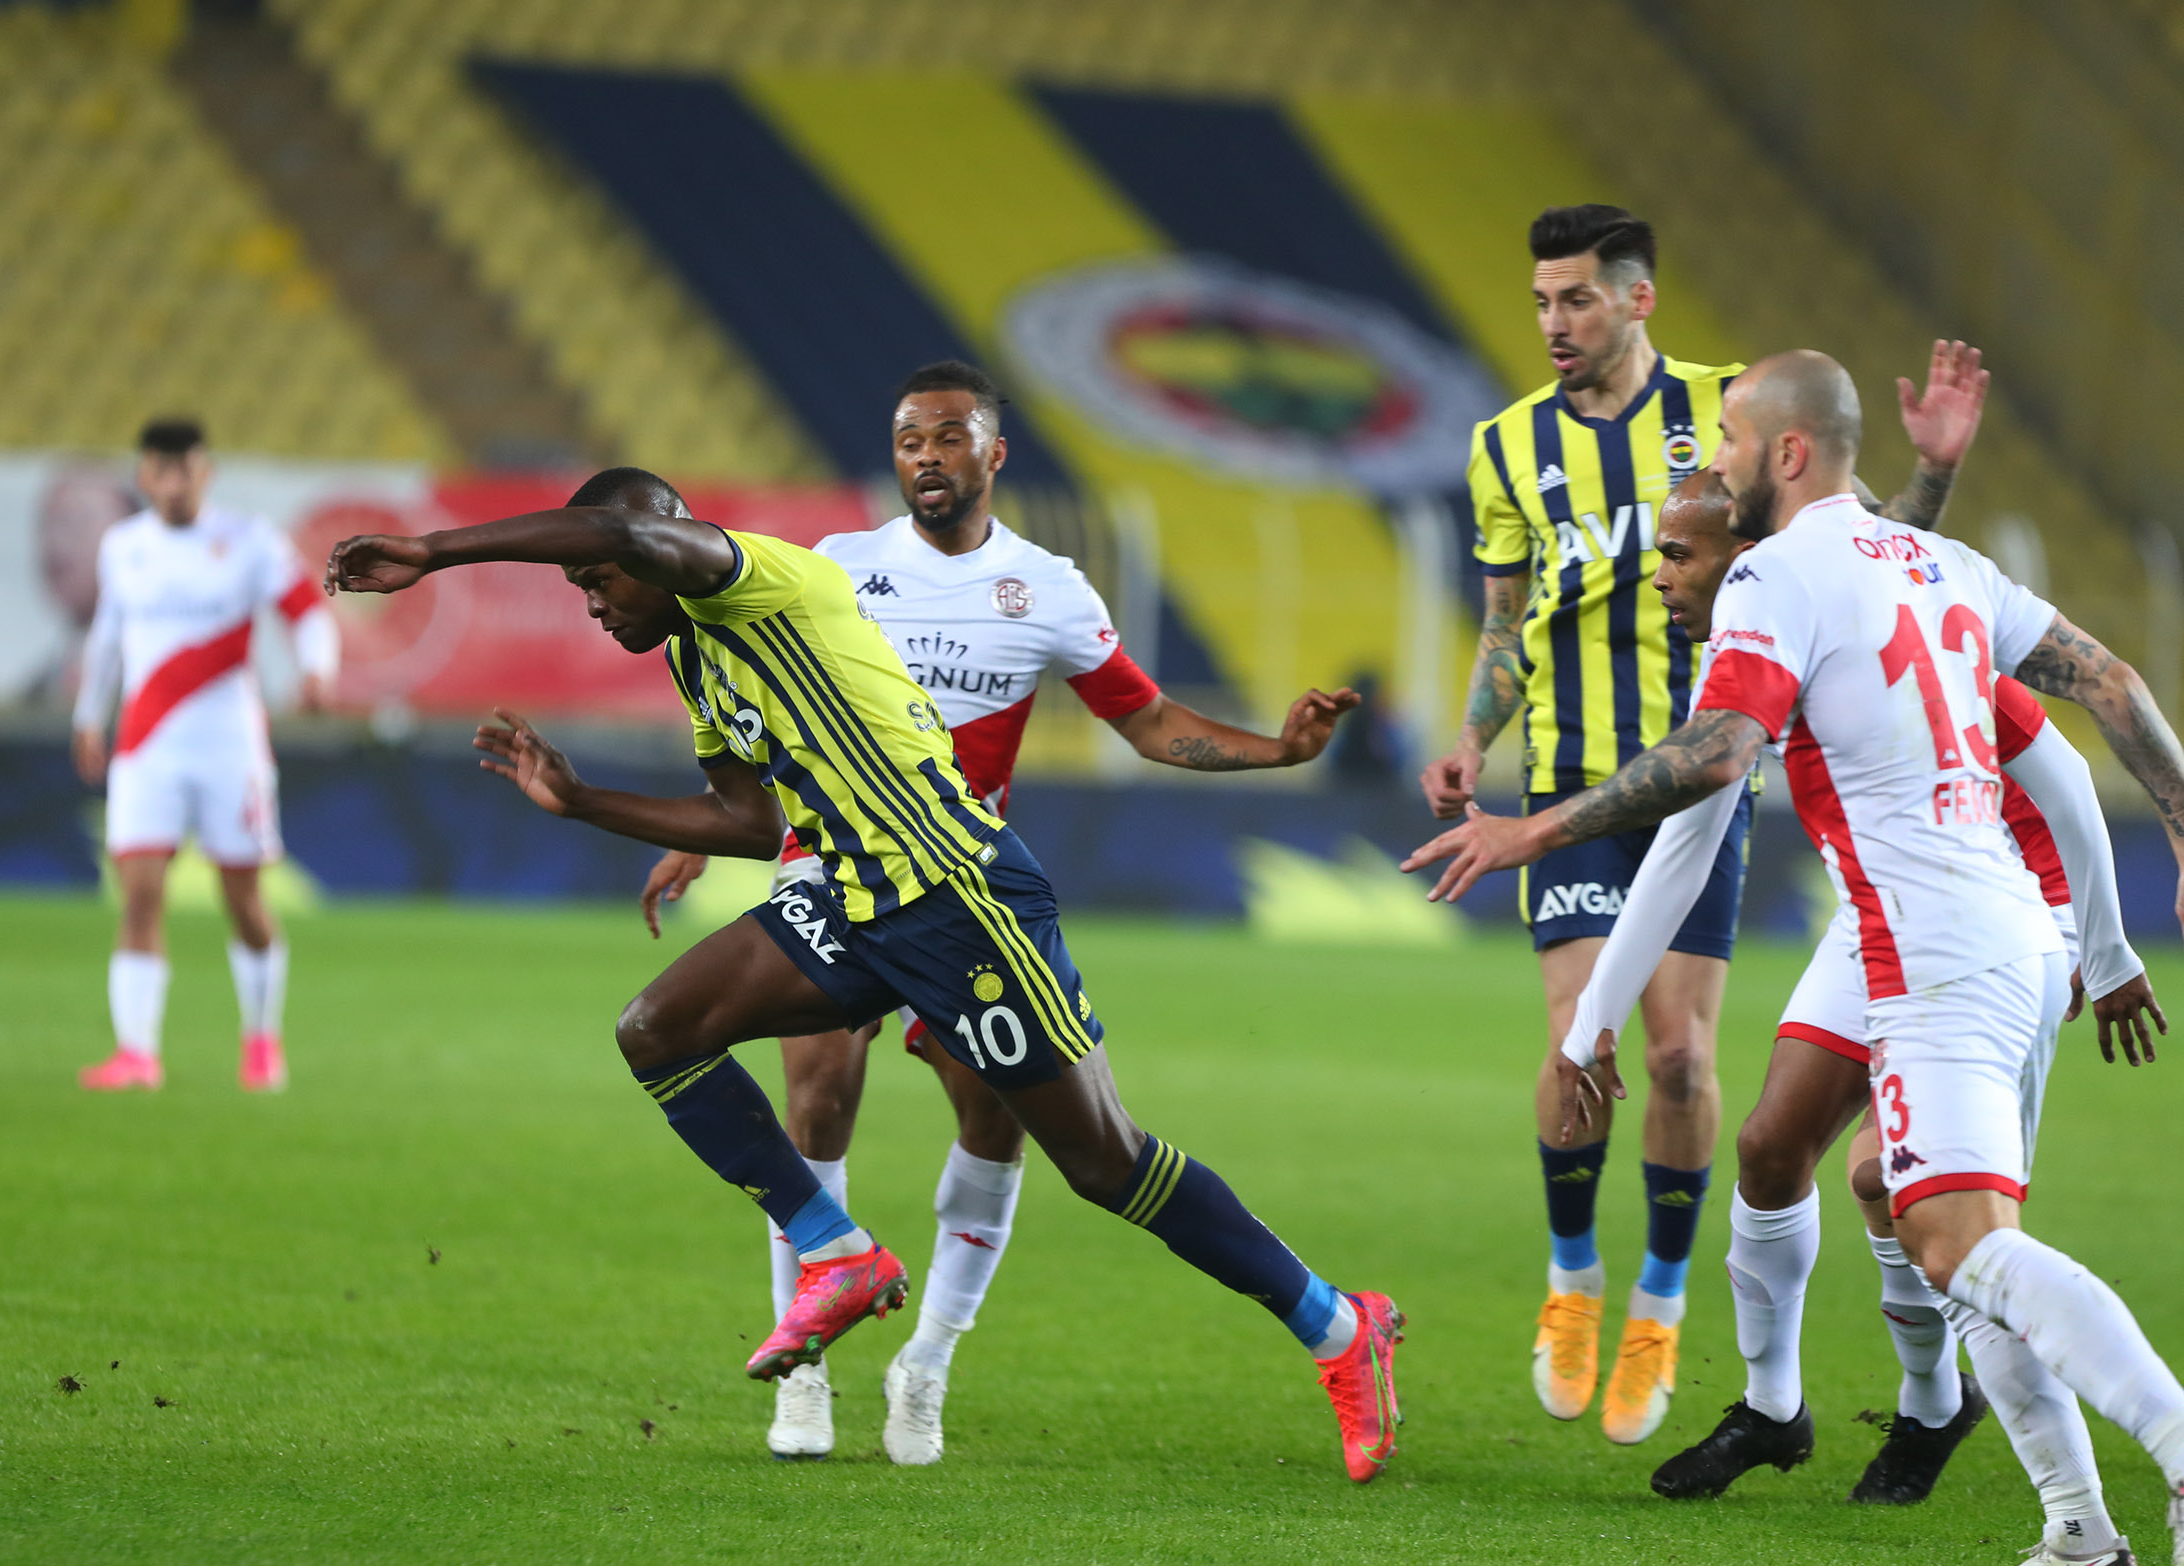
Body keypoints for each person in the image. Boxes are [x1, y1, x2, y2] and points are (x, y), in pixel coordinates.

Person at [325, 468, 1406, 1481]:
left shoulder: (761, 577)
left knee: (1104, 1162)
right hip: (850, 897)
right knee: (658, 1028)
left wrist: (434, 549)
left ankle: (1337, 1323)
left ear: (659, 546)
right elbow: (750, 820)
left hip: (959, 896)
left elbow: (619, 527)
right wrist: (583, 801)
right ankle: (835, 1250)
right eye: (579, 587)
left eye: (600, 577)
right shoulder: (694, 658)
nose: (593, 600)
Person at [1407, 350, 2184, 1566]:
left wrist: (1529, 831)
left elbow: (1717, 756)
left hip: (1935, 952)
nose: (1709, 458)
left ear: (1784, 452)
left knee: (1960, 1241)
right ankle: (2081, 1534)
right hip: (1975, 930)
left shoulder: (1771, 578)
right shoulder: (1940, 562)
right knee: (1927, 1227)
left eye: (1723, 436)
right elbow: (2112, 681)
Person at [640, 360, 1356, 1464]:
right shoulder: (840, 565)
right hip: (827, 868)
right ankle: (808, 1367)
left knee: (999, 1120)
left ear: (993, 453)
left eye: (947, 436)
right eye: (908, 439)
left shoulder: (1048, 588)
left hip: (959, 894)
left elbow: (1147, 720)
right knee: (816, 1091)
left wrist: (1278, 750)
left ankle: (927, 1362)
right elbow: (758, 713)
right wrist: (704, 830)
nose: (925, 456)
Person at [1422, 201, 1986, 1445]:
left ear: (1637, 299)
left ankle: (1661, 1299)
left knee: (1679, 1057)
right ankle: (1573, 1273)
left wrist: (1936, 471)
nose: (1554, 321)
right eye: (1540, 300)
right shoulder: (1504, 447)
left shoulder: (1732, 412)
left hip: (1708, 780)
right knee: (1578, 1033)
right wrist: (1471, 737)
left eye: (1576, 297)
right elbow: (1507, 623)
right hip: (1575, 779)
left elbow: (1868, 550)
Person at [72, 418, 337, 1092]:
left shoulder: (249, 540)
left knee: (243, 898)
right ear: (144, 476)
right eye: (161, 470)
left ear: (206, 473)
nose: (174, 483)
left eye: (185, 470)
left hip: (229, 748)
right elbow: (107, 635)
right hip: (146, 745)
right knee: (139, 893)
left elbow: (307, 610)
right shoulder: (123, 547)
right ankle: (137, 1053)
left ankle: (261, 1039)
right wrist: (87, 717)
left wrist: (316, 671)